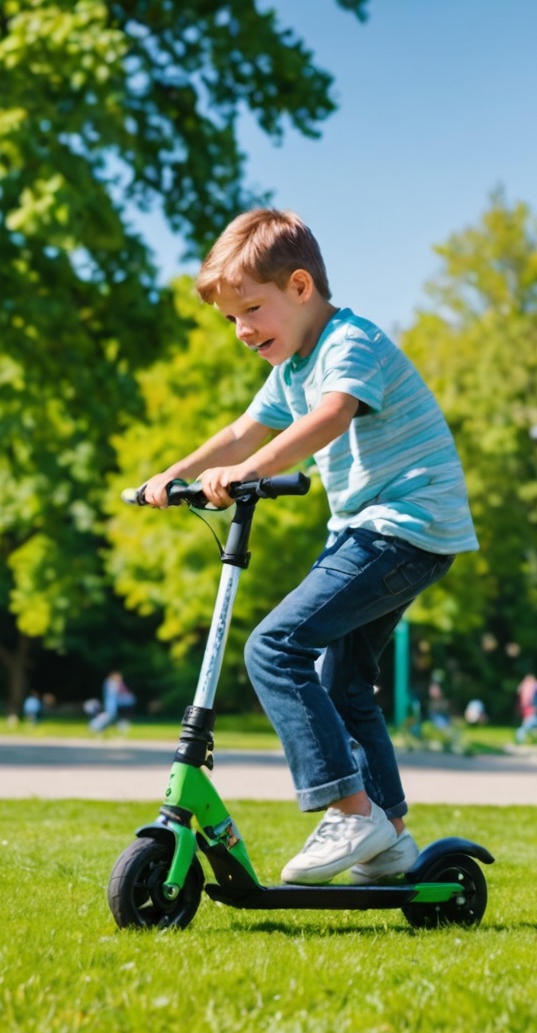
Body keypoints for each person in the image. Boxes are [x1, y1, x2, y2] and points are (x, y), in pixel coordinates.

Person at [135, 208, 478, 885]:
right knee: (345, 682)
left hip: (400, 524)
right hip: (381, 530)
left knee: (273, 646)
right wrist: (176, 474)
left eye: (251, 310)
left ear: (299, 288)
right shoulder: (293, 366)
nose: (242, 331)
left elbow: (331, 416)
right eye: (232, 319)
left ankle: (352, 813)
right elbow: (242, 429)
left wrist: (250, 473)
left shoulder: (350, 342)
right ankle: (391, 842)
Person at [515, 672, 537, 745]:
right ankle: (522, 738)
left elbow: (521, 694)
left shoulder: (527, 685)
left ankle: (524, 738)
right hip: (531, 707)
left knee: (531, 723)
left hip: (528, 707)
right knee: (531, 723)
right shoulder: (536, 686)